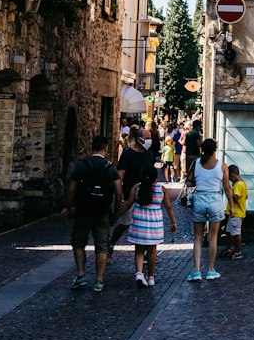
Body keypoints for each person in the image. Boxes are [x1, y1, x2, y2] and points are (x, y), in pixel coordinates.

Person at [65, 134, 122, 293]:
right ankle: (99, 280)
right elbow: (118, 192)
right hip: (102, 212)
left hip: (83, 210)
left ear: (92, 147)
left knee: (78, 243)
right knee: (102, 246)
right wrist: (116, 211)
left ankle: (81, 275)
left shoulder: (81, 166)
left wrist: (69, 208)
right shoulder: (110, 168)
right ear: (105, 148)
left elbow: (71, 189)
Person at [120, 161, 176, 287]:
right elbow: (168, 206)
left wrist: (116, 215)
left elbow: (128, 204)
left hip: (139, 223)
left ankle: (139, 274)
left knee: (139, 251)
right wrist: (173, 222)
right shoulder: (161, 189)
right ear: (155, 178)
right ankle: (151, 277)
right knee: (152, 251)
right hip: (154, 225)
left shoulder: (137, 188)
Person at [185, 137, 233, 281]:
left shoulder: (196, 163)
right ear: (215, 150)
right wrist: (231, 206)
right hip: (215, 200)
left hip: (200, 199)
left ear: (202, 149)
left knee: (198, 238)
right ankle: (211, 270)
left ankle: (196, 270)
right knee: (213, 237)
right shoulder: (222, 165)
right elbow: (227, 188)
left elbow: (189, 182)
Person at [111, 126, 151, 249]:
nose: (150, 140)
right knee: (125, 223)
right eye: (147, 138)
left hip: (145, 195)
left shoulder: (149, 155)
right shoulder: (127, 154)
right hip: (129, 194)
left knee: (146, 226)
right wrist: (120, 192)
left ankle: (144, 251)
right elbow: (120, 175)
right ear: (140, 139)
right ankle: (111, 244)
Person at [220, 164, 247, 259]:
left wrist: (228, 189)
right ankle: (229, 249)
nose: (230, 180)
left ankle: (237, 251)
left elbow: (236, 197)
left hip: (236, 213)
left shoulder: (238, 185)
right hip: (236, 213)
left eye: (230, 178)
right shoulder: (242, 183)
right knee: (230, 232)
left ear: (232, 175)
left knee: (236, 233)